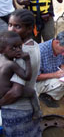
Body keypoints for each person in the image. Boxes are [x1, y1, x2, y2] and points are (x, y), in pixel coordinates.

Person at [0, 9, 42, 137]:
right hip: (26, 107)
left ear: (29, 29)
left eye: (17, 26)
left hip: (16, 109)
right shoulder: (34, 45)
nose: (11, 30)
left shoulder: (21, 54)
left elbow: (16, 91)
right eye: (10, 25)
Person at [0, 30, 41, 119]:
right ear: (2, 50)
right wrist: (27, 60)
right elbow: (27, 76)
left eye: (19, 46)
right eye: (13, 48)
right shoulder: (11, 64)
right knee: (32, 92)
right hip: (5, 92)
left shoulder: (1, 58)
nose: (18, 50)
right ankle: (37, 112)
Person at [36, 31, 64, 108]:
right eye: (63, 51)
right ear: (56, 42)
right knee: (63, 82)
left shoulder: (62, 47)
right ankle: (46, 96)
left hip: (54, 73)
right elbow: (35, 77)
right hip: (38, 82)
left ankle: (62, 91)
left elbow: (62, 63)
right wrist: (55, 75)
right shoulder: (39, 51)